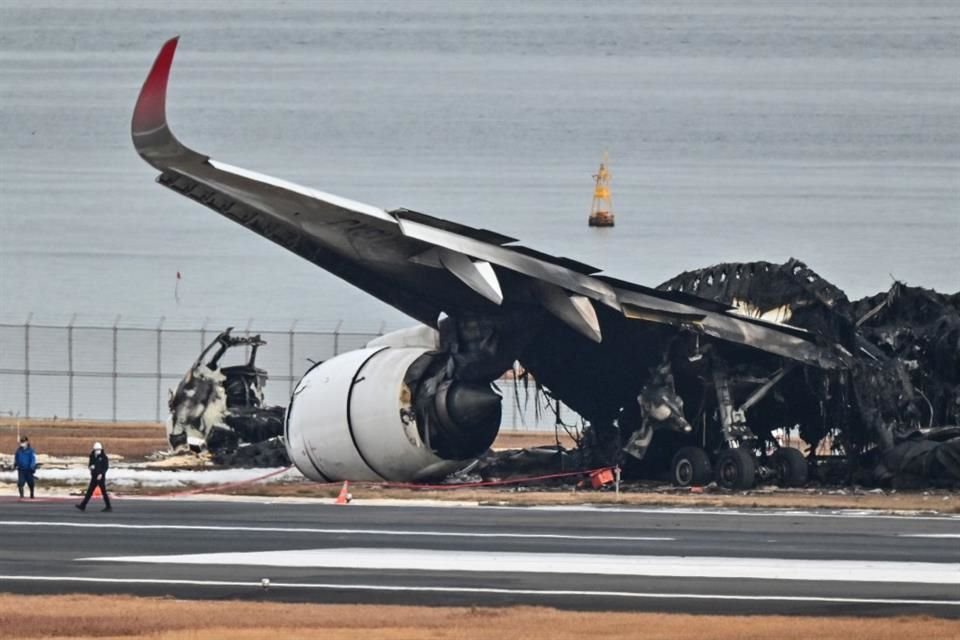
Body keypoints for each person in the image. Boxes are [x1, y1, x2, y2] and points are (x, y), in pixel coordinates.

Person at [75, 441, 112, 512]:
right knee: (89, 492)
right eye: (96, 450)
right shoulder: (92, 456)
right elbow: (89, 465)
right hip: (94, 476)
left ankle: (108, 506)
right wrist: (90, 467)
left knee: (103, 492)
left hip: (100, 477)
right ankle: (83, 505)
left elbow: (106, 467)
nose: (98, 451)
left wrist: (101, 474)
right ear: (94, 450)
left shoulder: (104, 457)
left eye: (99, 450)